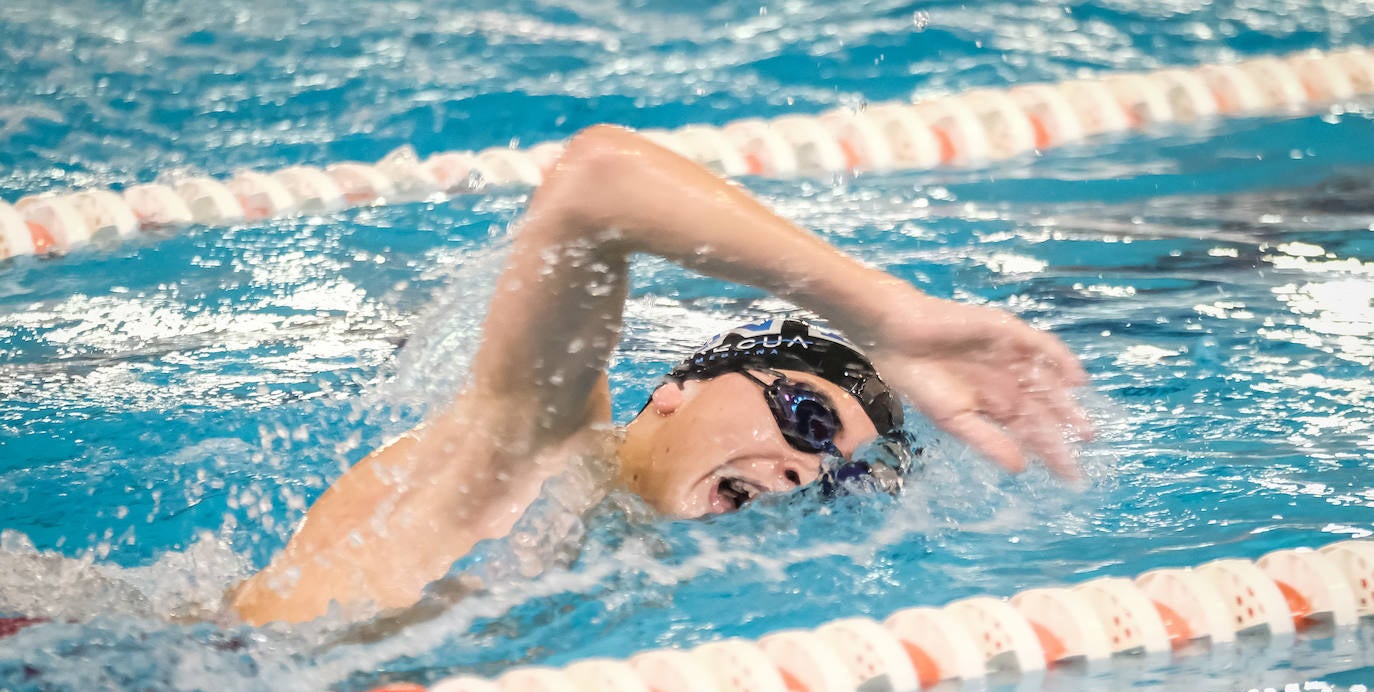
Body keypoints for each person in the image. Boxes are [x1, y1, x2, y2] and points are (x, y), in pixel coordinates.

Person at [230, 124, 1091, 626]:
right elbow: (597, 182)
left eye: (844, 475)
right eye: (808, 418)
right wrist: (884, 317)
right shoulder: (527, 448)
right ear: (673, 391)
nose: (809, 469)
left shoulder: (619, 570)